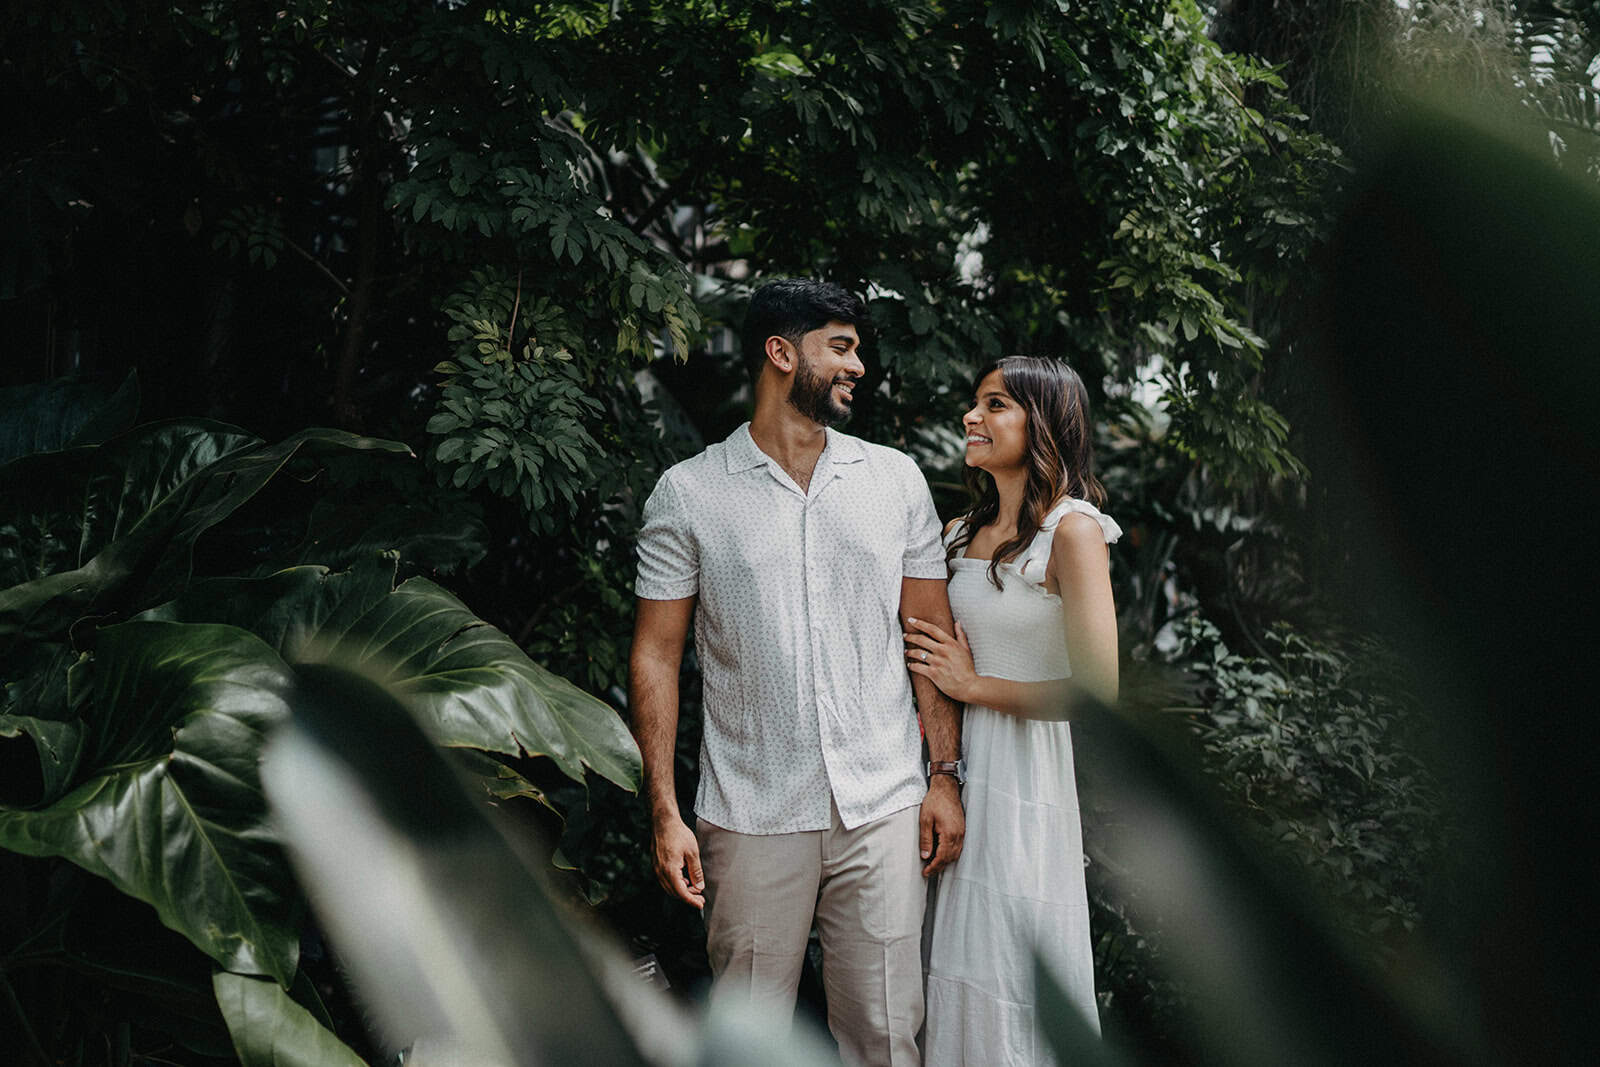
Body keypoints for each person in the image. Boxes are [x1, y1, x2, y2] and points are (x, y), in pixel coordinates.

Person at [629, 278, 966, 1067]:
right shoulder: (690, 493)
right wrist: (664, 810)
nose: (858, 366)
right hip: (750, 811)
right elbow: (655, 654)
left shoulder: (895, 481)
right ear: (781, 352)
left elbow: (929, 635)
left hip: (882, 805)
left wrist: (945, 776)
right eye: (840, 347)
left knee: (886, 1036)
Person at [903, 356, 1120, 1065]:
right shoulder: (957, 532)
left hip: (1024, 781)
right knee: (946, 964)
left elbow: (1098, 693)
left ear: (1044, 423)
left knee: (1007, 966)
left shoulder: (1073, 532)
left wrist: (975, 686)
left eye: (996, 404)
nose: (973, 416)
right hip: (948, 772)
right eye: (976, 402)